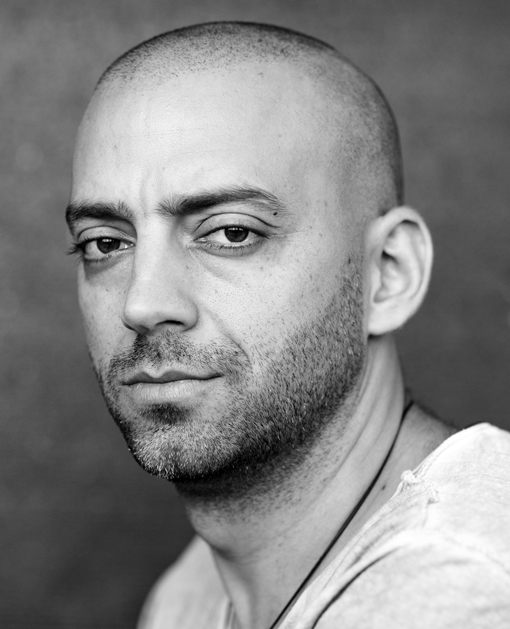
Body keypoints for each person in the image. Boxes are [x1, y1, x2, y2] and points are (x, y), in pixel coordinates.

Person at [66, 21, 510, 629]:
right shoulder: (188, 597)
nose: (141, 304)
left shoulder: (457, 591)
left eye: (232, 233)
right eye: (105, 243)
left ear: (388, 272)